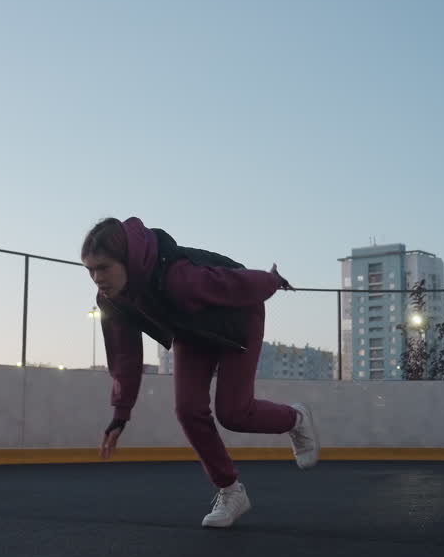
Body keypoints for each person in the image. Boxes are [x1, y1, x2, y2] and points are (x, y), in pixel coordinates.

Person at [81, 217, 320, 528]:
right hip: (190, 329)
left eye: (104, 267)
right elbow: (124, 354)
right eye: (90, 269)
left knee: (234, 413)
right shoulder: (112, 299)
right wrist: (120, 413)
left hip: (237, 319)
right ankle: (231, 491)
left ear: (126, 260)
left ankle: (295, 419)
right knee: (188, 410)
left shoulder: (179, 278)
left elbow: (237, 283)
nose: (97, 277)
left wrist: (272, 280)